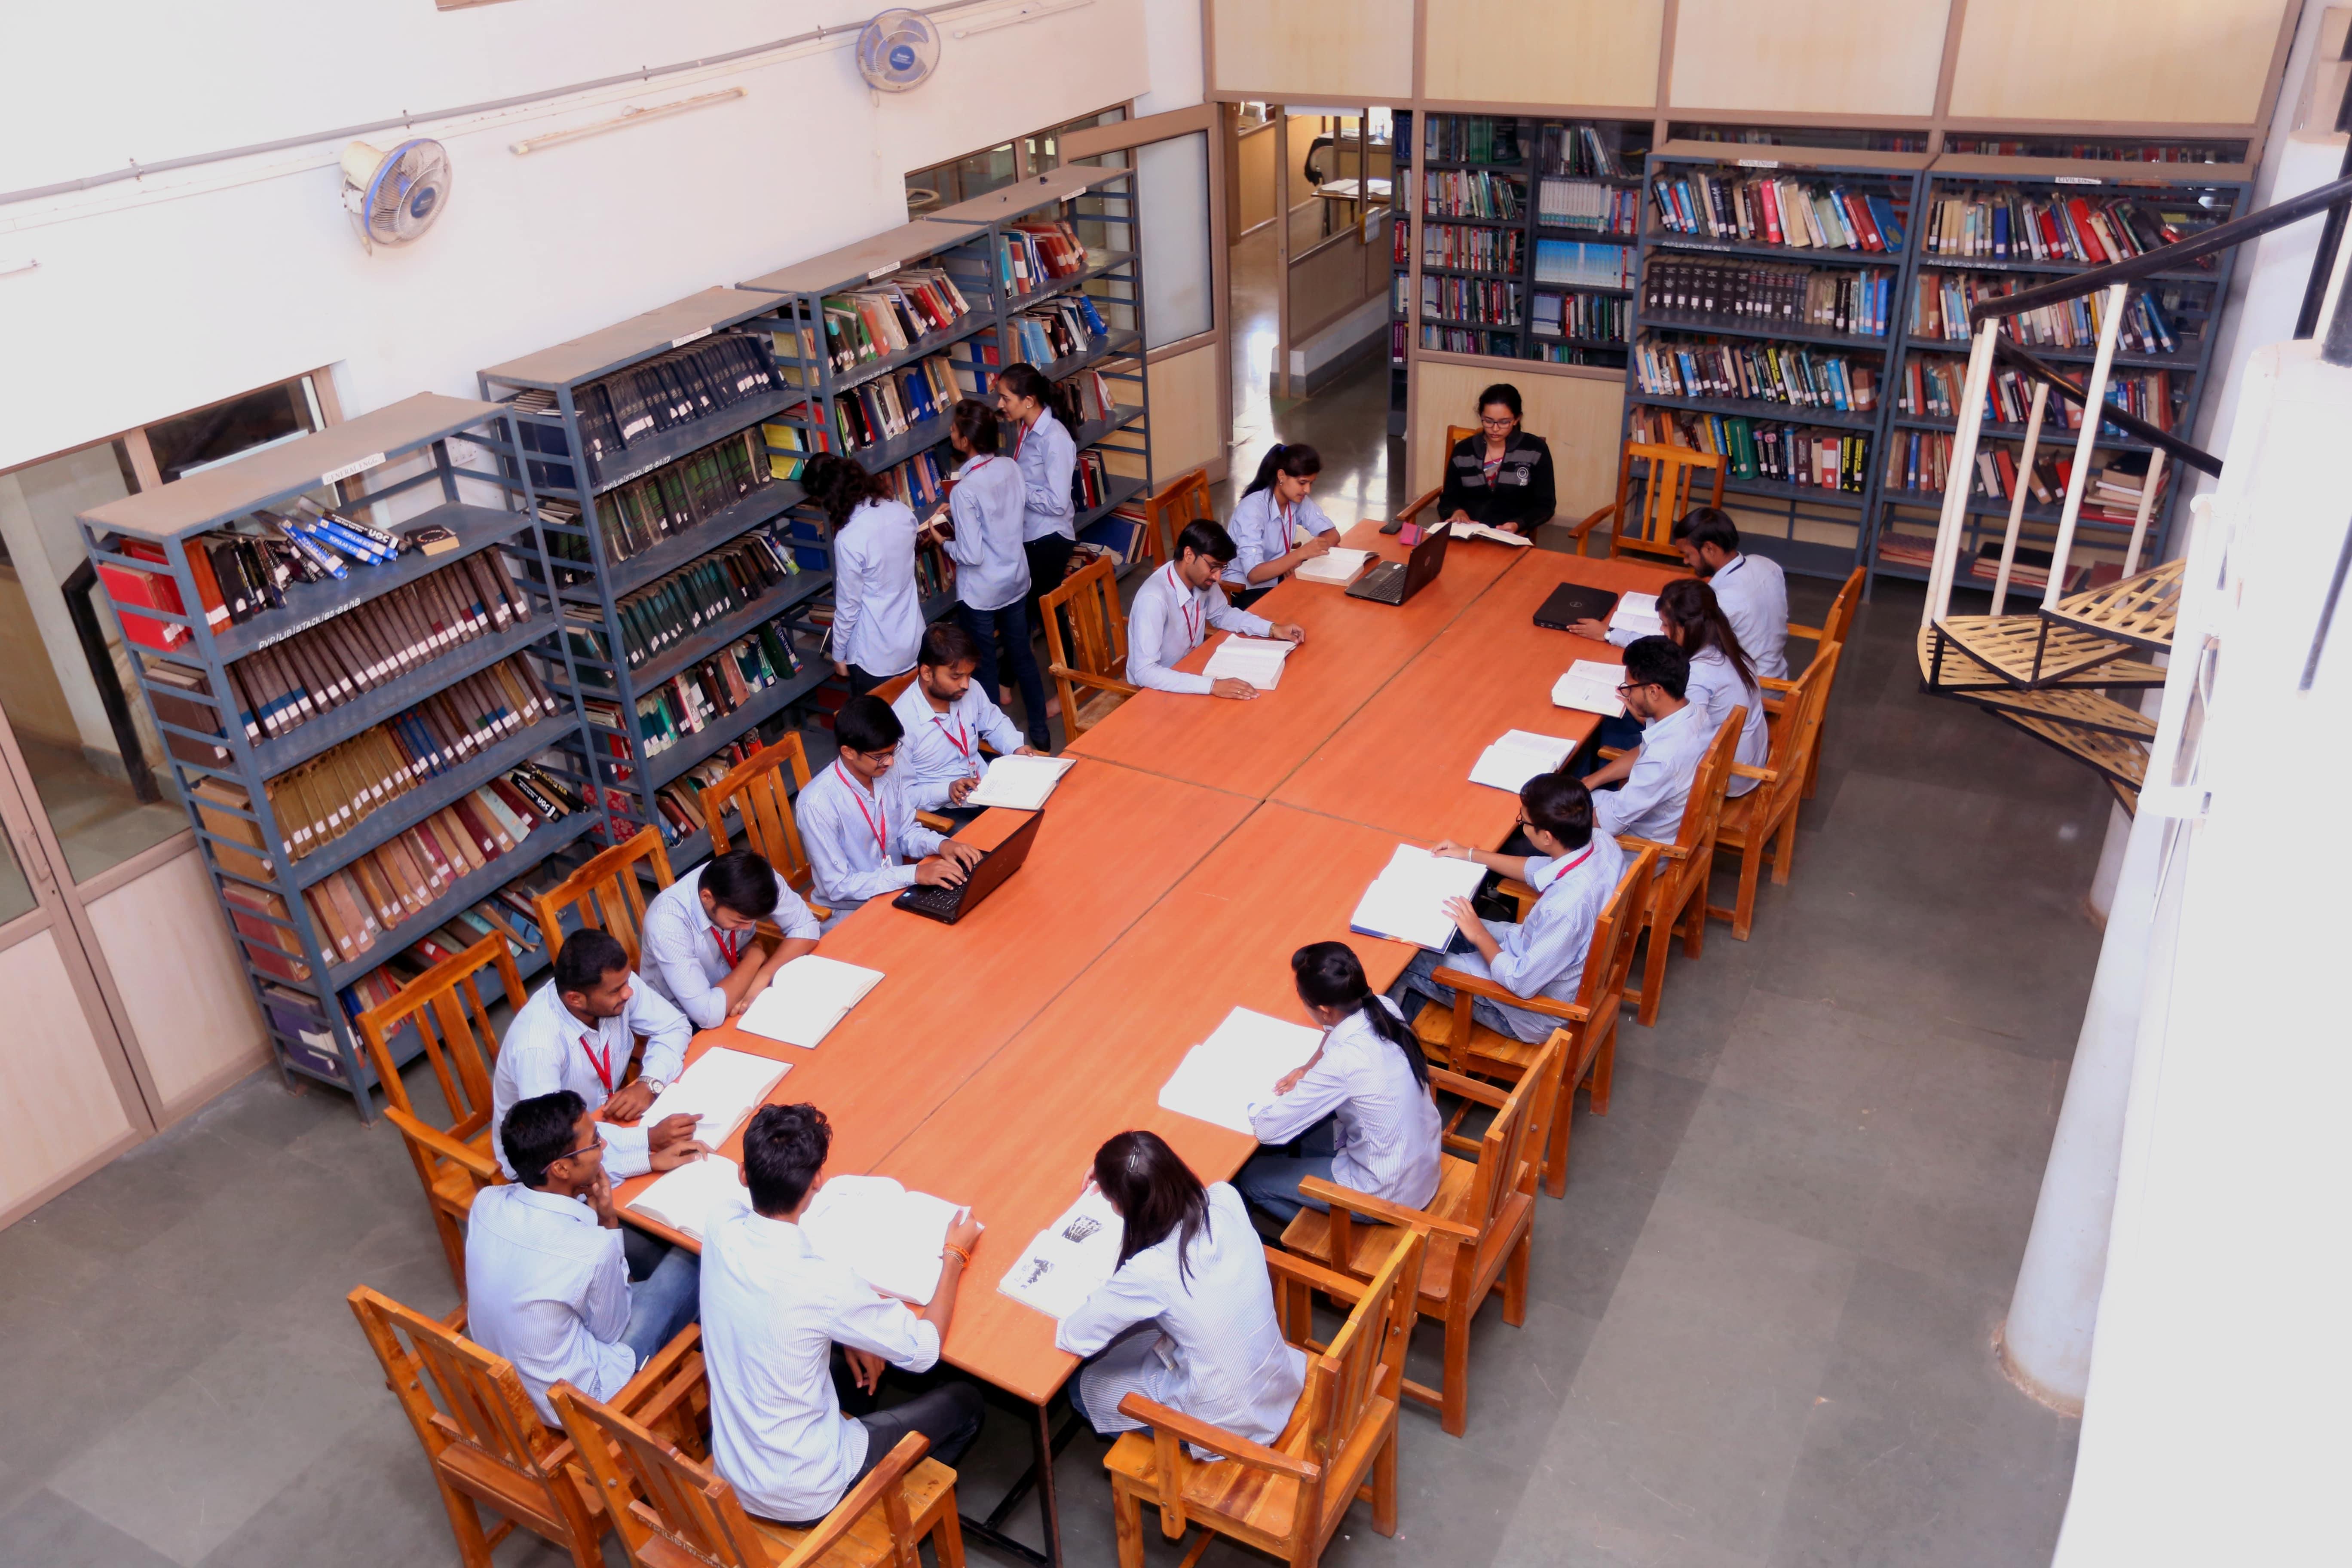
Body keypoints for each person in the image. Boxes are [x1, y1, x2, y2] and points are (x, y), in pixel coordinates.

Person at [702, 1103, 987, 1526]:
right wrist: (954, 1256)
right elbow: (924, 1351)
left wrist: (847, 1332)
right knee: (966, 1401)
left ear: (744, 1174)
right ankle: (897, 1517)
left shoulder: (720, 1225)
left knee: (851, 1372)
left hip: (736, 1470)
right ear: (817, 1181)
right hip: (808, 1493)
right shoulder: (826, 1284)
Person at [1056, 1131, 1307, 1451]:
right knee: (1145, 1333)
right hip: (1275, 1379)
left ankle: (1178, 1450)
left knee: (1083, 1387)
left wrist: (1116, 1179)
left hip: (1227, 1425)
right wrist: (1120, 1171)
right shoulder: (1224, 1197)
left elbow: (1075, 1335)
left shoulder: (1151, 1271)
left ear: (1122, 1204)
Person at [465, 1090, 701, 1425]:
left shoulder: (487, 1202)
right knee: (694, 1258)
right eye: (595, 1143)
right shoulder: (590, 1250)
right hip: (581, 1405)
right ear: (561, 1168)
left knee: (647, 1268)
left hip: (514, 1383)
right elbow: (612, 1330)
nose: (603, 1146)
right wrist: (608, 1223)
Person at [490, 928, 707, 1281]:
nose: (629, 994)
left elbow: (674, 1026)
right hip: (554, 1171)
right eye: (617, 991)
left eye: (627, 983)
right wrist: (647, 1148)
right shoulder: (538, 1049)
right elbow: (558, 1152)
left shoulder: (614, 984)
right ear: (576, 999)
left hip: (605, 1128)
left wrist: (649, 1083)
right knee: (674, 1254)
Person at [1390, 773, 1626, 1044]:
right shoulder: (1600, 842)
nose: (1521, 826)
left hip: (1527, 1012)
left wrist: (1479, 934)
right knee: (1442, 920)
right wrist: (1469, 854)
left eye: (1524, 822)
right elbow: (1537, 869)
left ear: (1547, 837)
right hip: (1534, 953)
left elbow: (1520, 984)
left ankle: (1398, 1047)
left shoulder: (1565, 908)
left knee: (1403, 960)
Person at [1235, 942, 1442, 1225]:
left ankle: (1332, 1236)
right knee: (1305, 1139)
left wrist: (1249, 1103)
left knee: (1252, 1178)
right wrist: (1308, 1068)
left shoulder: (1344, 1061)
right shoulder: (1384, 1007)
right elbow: (1333, 1033)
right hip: (1422, 1166)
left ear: (1324, 1010)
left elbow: (1268, 1130)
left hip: (1387, 1195)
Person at [927, 397, 1050, 748]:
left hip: (982, 592)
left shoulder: (965, 490)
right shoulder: (1011, 467)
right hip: (1016, 580)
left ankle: (995, 747)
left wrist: (943, 541)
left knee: (982, 670)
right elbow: (1005, 510)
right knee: (1022, 655)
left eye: (954, 429)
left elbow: (971, 554)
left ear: (965, 441)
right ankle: (1041, 735)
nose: (950, 433)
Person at [795, 694, 985, 916]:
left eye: (893, 752)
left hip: (897, 890)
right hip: (851, 912)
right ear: (848, 752)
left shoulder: (887, 771)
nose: (891, 762)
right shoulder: (817, 804)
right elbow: (839, 886)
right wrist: (914, 874)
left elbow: (906, 832)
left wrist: (942, 845)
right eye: (880, 756)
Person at [640, 848, 822, 1029]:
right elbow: (708, 1014)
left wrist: (765, 974)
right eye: (739, 921)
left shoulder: (754, 877)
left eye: (752, 921)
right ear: (707, 898)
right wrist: (755, 958)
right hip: (683, 1021)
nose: (749, 928)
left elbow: (806, 926)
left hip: (740, 984)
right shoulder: (667, 923)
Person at [1126, 521, 1307, 699]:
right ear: (1189, 555)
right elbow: (1145, 672)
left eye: (1222, 568)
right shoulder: (1153, 599)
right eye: (1213, 567)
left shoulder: (1201, 579)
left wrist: (1272, 629)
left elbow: (1222, 614)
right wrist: (1212, 686)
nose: (1218, 578)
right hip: (1159, 688)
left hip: (1193, 670)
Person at [888, 622, 1040, 821]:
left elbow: (994, 722)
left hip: (987, 787)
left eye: (969, 675)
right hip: (946, 808)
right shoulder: (900, 724)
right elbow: (904, 794)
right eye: (956, 677)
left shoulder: (969, 689)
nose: (966, 685)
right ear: (927, 673)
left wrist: (1016, 747)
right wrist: (947, 790)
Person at [807, 452, 922, 697]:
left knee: (875, 720)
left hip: (875, 654)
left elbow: (849, 606)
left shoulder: (849, 539)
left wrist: (839, 653)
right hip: (913, 639)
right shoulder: (901, 511)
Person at [1583, 636, 1715, 843]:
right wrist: (1591, 781)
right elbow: (1643, 750)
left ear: (1654, 691)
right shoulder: (1693, 713)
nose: (1627, 694)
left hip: (1638, 845)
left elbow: (1608, 821)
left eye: (1630, 688)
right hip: (1648, 814)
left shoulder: (1661, 758)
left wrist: (1548, 817)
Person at [1655, 577, 1768, 798]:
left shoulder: (1698, 674)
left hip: (1727, 778)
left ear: (1686, 629)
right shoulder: (1726, 648)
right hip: (1749, 759)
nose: (1662, 630)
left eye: (1666, 625)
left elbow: (1680, 738)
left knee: (1623, 730)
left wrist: (1637, 705)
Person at [997, 363, 1077, 655]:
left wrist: (1017, 486)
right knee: (1031, 611)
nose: (1000, 405)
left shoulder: (1054, 439)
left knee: (1046, 612)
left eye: (1006, 398)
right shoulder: (1026, 429)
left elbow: (1057, 502)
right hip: (1032, 533)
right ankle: (1016, 675)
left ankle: (1067, 676)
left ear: (1028, 401)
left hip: (1049, 538)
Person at [1672, 507, 1788, 680]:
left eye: (1688, 554)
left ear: (1709, 549)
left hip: (1750, 686)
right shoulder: (1767, 565)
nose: (1685, 561)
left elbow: (1689, 649)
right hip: (1776, 673)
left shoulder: (1721, 600)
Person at [1431, 383, 1557, 536]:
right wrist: (1457, 512)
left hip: (1511, 537)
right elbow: (1448, 499)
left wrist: (1519, 524)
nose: (1495, 429)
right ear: (1481, 417)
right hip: (1468, 535)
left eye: (1504, 422)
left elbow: (1546, 505)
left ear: (1517, 419)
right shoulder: (1463, 452)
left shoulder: (1535, 450)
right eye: (1489, 421)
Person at [1224, 442, 1338, 608]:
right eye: (1302, 483)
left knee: (1324, 598)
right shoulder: (1251, 510)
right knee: (1308, 607)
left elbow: (1332, 534)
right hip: (1243, 590)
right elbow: (1254, 574)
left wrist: (1298, 559)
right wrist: (1299, 555)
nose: (1307, 490)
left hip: (1278, 579)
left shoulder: (1296, 500)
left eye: (1311, 483)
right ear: (1282, 476)